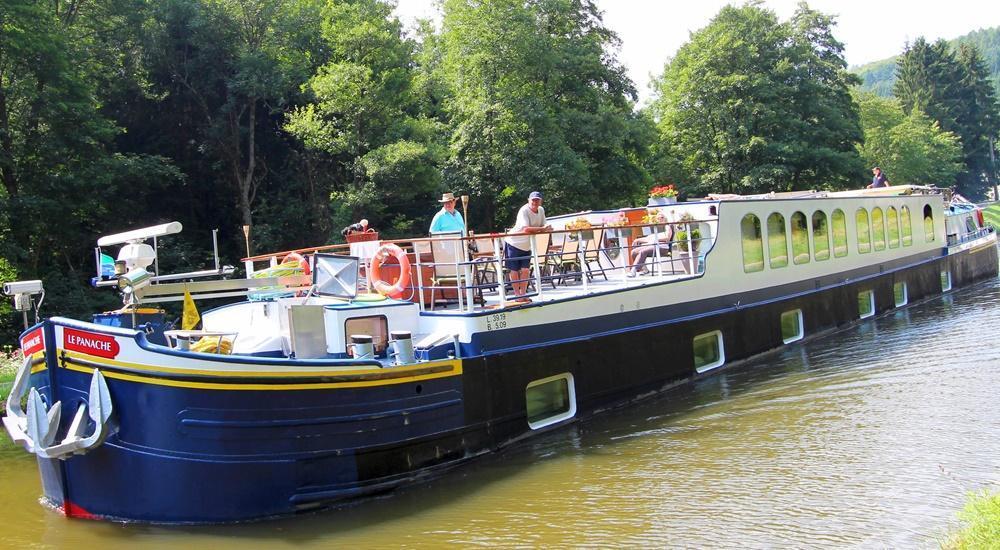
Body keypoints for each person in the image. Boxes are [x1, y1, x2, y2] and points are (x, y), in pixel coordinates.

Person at [504, 191, 552, 300]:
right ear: (528, 200)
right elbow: (526, 229)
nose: (535, 202)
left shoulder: (541, 210)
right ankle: (517, 295)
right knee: (514, 270)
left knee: (525, 270)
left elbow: (544, 225)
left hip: (527, 245)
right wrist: (543, 229)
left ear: (541, 201)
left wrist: (547, 228)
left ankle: (523, 294)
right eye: (533, 200)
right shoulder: (524, 210)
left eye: (537, 200)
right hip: (514, 243)